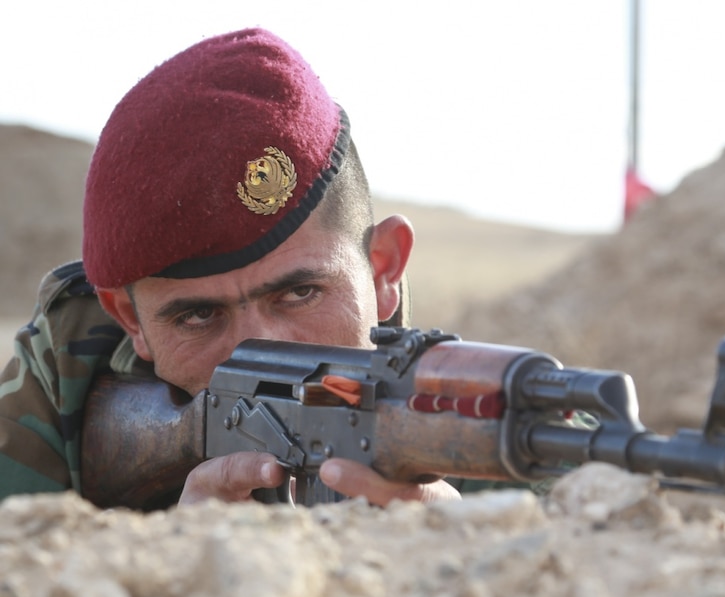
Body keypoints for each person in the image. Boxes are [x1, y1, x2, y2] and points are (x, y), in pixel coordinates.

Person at [0, 28, 460, 509]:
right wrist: (174, 559)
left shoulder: (473, 416)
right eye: (198, 316)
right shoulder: (73, 370)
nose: (257, 348)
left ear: (383, 269)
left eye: (301, 292)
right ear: (129, 319)